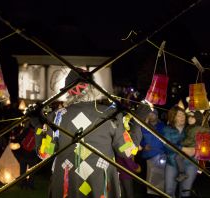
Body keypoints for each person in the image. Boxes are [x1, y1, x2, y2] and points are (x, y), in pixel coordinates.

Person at [31, 69, 136, 197]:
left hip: (68, 184)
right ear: (94, 88)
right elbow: (127, 151)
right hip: (100, 184)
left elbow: (45, 153)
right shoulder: (110, 114)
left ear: (69, 92)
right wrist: (137, 128)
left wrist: (37, 126)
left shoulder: (57, 116)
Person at [163, 106, 197, 198]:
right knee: (169, 191)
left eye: (183, 115)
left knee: (185, 192)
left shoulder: (190, 128)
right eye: (178, 115)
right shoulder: (167, 129)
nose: (182, 117)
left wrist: (196, 149)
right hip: (172, 163)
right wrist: (183, 149)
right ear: (173, 117)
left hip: (190, 163)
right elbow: (167, 145)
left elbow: (199, 141)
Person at [140, 108, 166, 197]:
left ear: (157, 115)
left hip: (159, 155)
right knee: (147, 178)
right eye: (149, 114)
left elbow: (165, 140)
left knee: (158, 178)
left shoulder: (162, 126)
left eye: (153, 114)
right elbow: (140, 139)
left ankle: (159, 194)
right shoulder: (143, 125)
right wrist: (143, 145)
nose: (151, 116)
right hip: (147, 156)